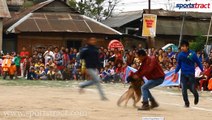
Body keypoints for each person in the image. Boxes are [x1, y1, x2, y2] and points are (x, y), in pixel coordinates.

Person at [174, 40, 203, 108]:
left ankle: (196, 95)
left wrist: (202, 70)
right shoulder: (180, 55)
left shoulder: (192, 54)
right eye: (181, 46)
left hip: (191, 74)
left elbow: (198, 62)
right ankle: (186, 103)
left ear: (187, 47)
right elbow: (179, 64)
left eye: (183, 46)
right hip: (183, 74)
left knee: (192, 88)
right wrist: (175, 72)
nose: (182, 48)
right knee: (183, 89)